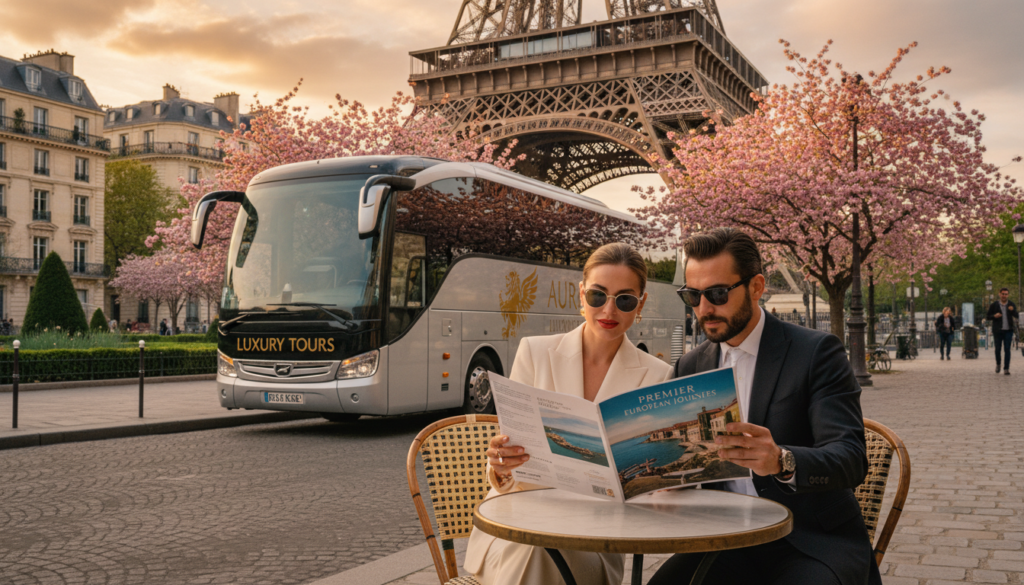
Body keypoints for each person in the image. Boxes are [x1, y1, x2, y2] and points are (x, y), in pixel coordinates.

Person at [649, 228, 879, 585]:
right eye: (692, 296)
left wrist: (782, 460)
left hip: (809, 539)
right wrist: (670, 480)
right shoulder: (690, 367)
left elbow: (851, 459)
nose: (704, 309)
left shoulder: (817, 352)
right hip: (724, 540)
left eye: (718, 293)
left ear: (756, 287)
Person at [465, 243, 673, 585]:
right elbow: (509, 456)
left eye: (624, 300)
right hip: (519, 522)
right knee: (534, 547)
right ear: (581, 294)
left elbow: (648, 490)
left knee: (538, 551)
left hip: (598, 540)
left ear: (641, 304)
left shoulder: (657, 375)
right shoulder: (534, 352)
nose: (609, 309)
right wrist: (501, 464)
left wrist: (660, 488)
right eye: (597, 296)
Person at [986, 287, 1018, 375]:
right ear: (999, 294)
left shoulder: (1011, 304)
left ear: (1008, 295)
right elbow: (988, 316)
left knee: (1007, 349)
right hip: (998, 330)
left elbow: (1017, 315)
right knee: (998, 349)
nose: (1004, 296)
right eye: (1003, 294)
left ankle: (1006, 368)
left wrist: (1013, 310)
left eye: (1006, 294)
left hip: (1008, 330)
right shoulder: (994, 305)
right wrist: (994, 316)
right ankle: (998, 364)